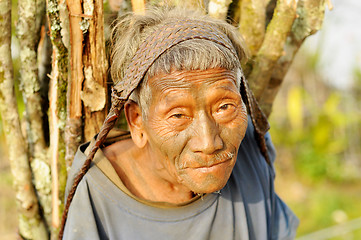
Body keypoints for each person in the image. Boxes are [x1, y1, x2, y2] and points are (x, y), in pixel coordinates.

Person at [61, 8, 299, 240]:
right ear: (137, 122)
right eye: (178, 116)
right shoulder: (99, 190)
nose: (209, 143)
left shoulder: (251, 147)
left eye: (224, 107)